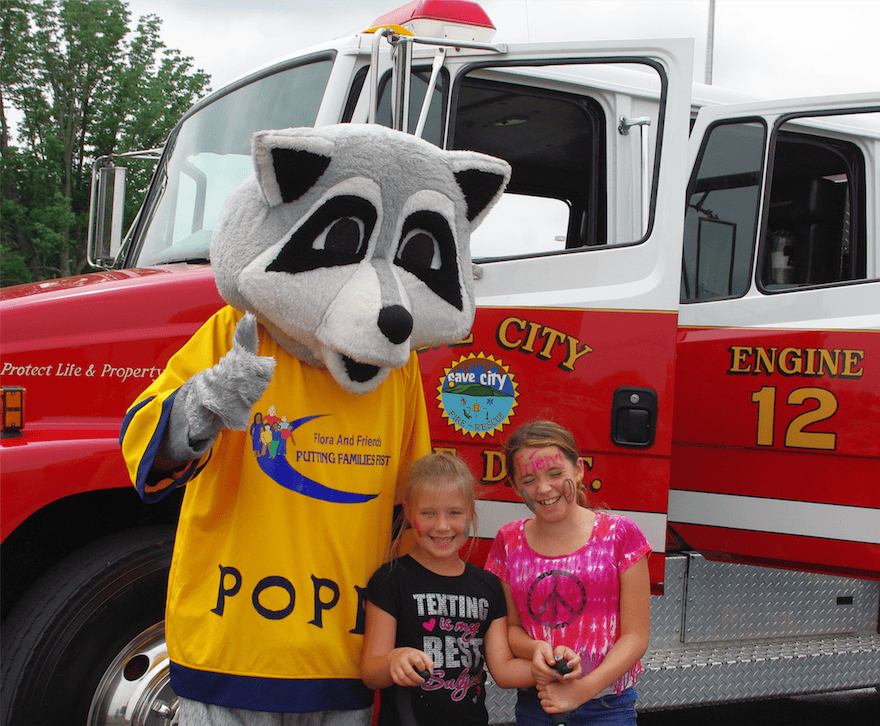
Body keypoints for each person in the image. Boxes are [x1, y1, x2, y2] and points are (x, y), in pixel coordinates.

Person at [361, 452, 556, 726]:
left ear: (470, 511)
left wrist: (554, 667)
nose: (442, 526)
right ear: (408, 512)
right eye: (428, 513)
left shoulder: (487, 586)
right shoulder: (390, 581)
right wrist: (394, 659)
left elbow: (503, 671)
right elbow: (370, 672)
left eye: (454, 513)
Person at [485, 421, 651, 726]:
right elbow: (511, 628)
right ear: (514, 485)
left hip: (607, 706)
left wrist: (582, 690)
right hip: (539, 704)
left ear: (579, 469)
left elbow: (635, 636)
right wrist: (538, 650)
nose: (544, 488)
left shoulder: (620, 535)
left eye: (556, 473)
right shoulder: (508, 542)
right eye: (529, 479)